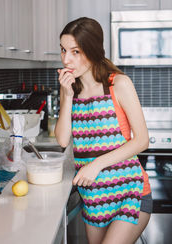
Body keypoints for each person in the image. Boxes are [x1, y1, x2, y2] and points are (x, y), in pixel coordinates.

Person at [54, 17, 152, 244]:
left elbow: (142, 141)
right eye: (63, 50)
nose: (66, 59)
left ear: (93, 50)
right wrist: (67, 96)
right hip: (94, 199)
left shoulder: (118, 84)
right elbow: (61, 139)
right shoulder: (70, 89)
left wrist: (96, 164)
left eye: (75, 51)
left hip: (130, 193)